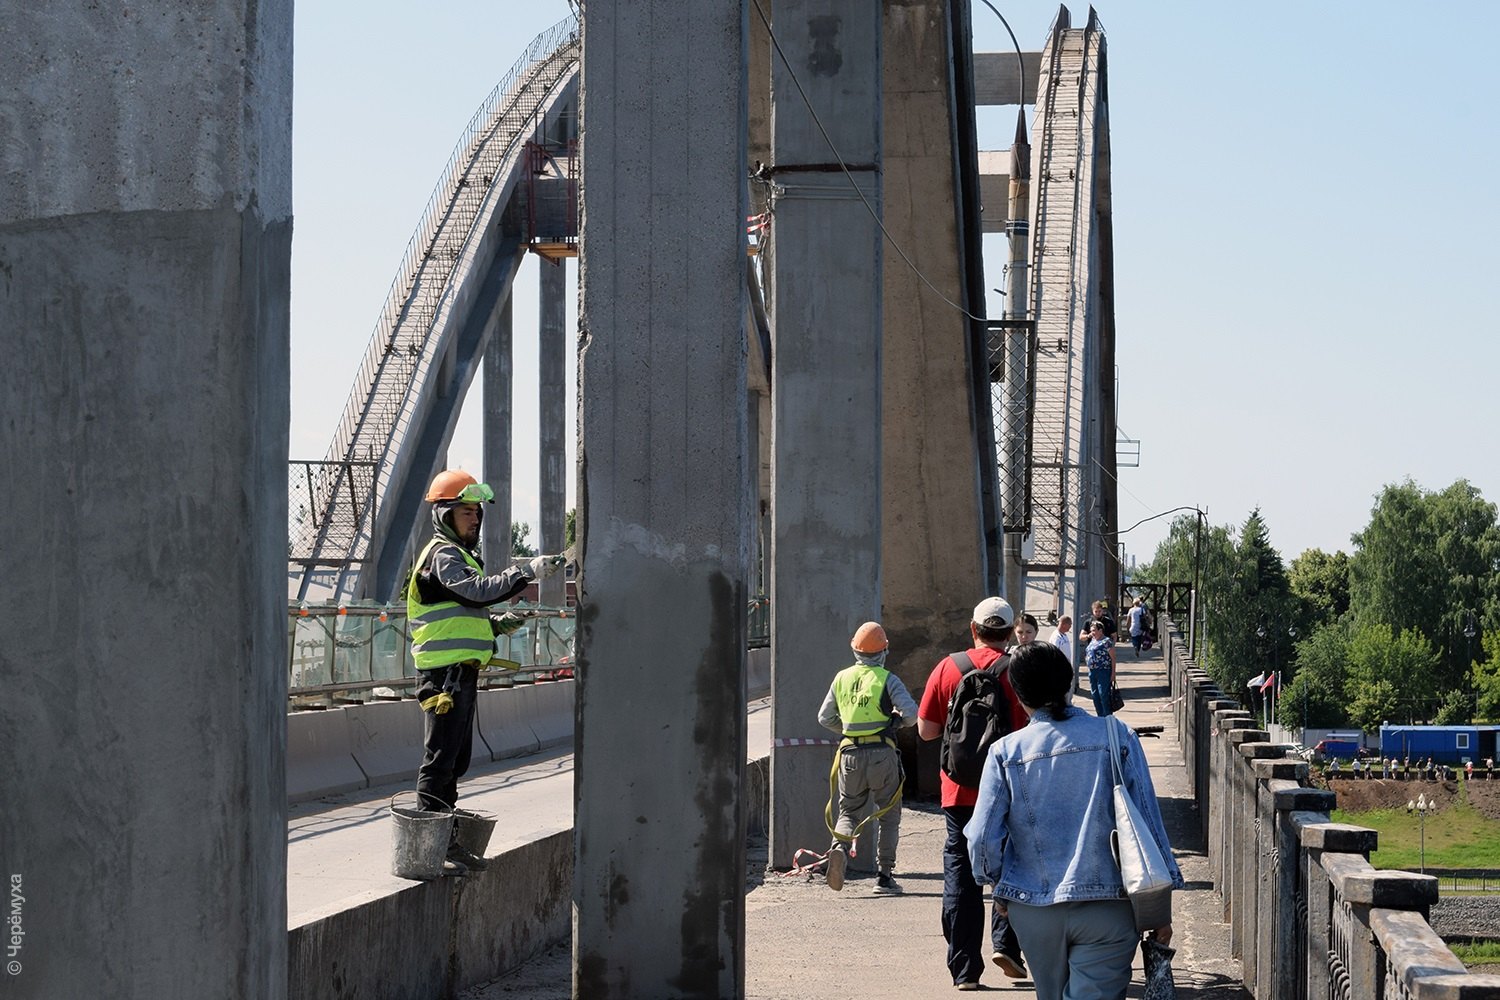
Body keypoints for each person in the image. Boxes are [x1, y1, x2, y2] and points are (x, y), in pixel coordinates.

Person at [966, 642, 1181, 1000]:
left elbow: (982, 837)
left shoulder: (1005, 752)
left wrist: (996, 885)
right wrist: (1160, 905)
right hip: (1110, 907)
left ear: (1018, 693)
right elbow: (1148, 822)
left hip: (1032, 908)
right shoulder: (1118, 737)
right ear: (1068, 683)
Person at [406, 469, 563, 875]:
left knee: (455, 758)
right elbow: (475, 592)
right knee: (441, 758)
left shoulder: (457, 556)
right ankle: (429, 844)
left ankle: (444, 839)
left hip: (459, 672)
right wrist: (525, 571)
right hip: (444, 676)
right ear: (444, 514)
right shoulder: (442, 554)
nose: (474, 518)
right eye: (466, 512)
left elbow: (458, 612)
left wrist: (495, 624)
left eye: (477, 512)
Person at [917, 598, 1031, 989]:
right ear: (1011, 631)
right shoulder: (1018, 671)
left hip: (959, 791)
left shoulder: (948, 667)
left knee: (962, 876)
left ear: (973, 629)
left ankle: (965, 970)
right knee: (1013, 866)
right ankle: (1008, 947)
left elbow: (926, 731)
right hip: (1011, 789)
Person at [816, 621, 919, 894]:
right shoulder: (888, 679)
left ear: (854, 649)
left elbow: (824, 718)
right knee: (888, 816)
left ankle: (838, 849)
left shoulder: (841, 678)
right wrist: (893, 724)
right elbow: (911, 715)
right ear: (884, 651)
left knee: (848, 810)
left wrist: (848, 730)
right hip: (882, 755)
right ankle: (884, 877)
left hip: (849, 754)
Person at [1084, 619, 1118, 717]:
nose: (1092, 633)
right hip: (1092, 671)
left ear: (1100, 630)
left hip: (1103, 671)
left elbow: (1113, 658)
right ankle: (1100, 716)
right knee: (1095, 695)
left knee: (1103, 694)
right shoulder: (1092, 641)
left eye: (1094, 630)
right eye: (1091, 630)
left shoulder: (1106, 641)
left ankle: (1107, 716)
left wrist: (1113, 674)